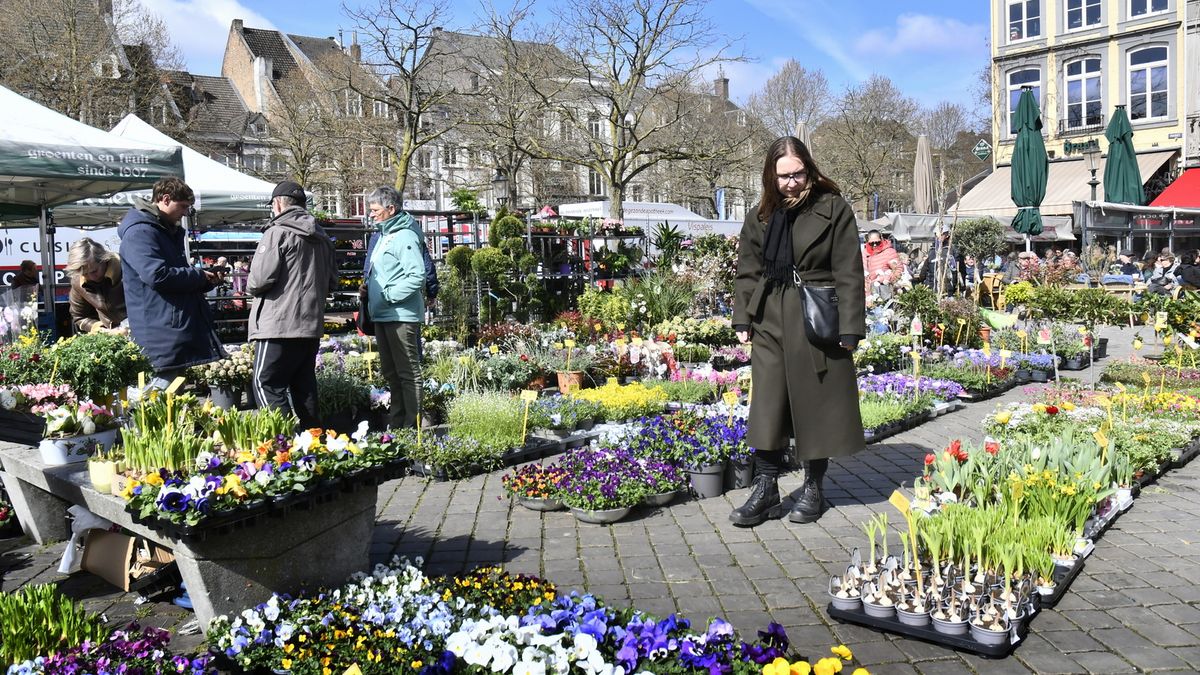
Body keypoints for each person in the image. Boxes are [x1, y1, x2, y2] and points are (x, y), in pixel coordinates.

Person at [730, 136, 865, 527]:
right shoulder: (760, 216)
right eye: (784, 175)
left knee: (814, 402)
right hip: (770, 312)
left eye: (798, 173)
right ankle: (767, 487)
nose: (791, 182)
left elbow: (848, 270)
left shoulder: (833, 208)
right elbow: (747, 271)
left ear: (809, 168)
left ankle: (813, 487)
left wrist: (851, 327)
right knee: (768, 404)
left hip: (817, 314)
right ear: (771, 176)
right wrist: (743, 319)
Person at [247, 181, 337, 427]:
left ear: (277, 204)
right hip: (309, 325)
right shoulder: (322, 236)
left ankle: (284, 446)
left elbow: (258, 280)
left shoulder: (277, 232)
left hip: (277, 324)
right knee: (304, 386)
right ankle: (315, 445)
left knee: (265, 383)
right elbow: (332, 281)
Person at [119, 177, 224, 384]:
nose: (185, 212)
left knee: (169, 394)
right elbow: (157, 275)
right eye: (183, 206)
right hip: (159, 330)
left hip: (168, 326)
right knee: (159, 393)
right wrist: (198, 275)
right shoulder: (141, 232)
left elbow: (171, 276)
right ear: (165, 199)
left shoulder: (161, 230)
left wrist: (205, 280)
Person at [364, 186, 426, 429]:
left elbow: (417, 276)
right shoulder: (385, 235)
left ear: (391, 209)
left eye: (375, 210)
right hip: (383, 314)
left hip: (400, 315)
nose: (371, 214)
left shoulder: (404, 236)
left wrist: (388, 295)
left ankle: (412, 426)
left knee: (408, 372)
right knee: (391, 372)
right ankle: (399, 423)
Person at [66, 238, 127, 334]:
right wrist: (100, 329)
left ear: (104, 260)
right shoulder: (78, 282)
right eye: (85, 274)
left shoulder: (127, 269)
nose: (92, 277)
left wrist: (128, 328)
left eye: (94, 271)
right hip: (111, 336)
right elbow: (79, 316)